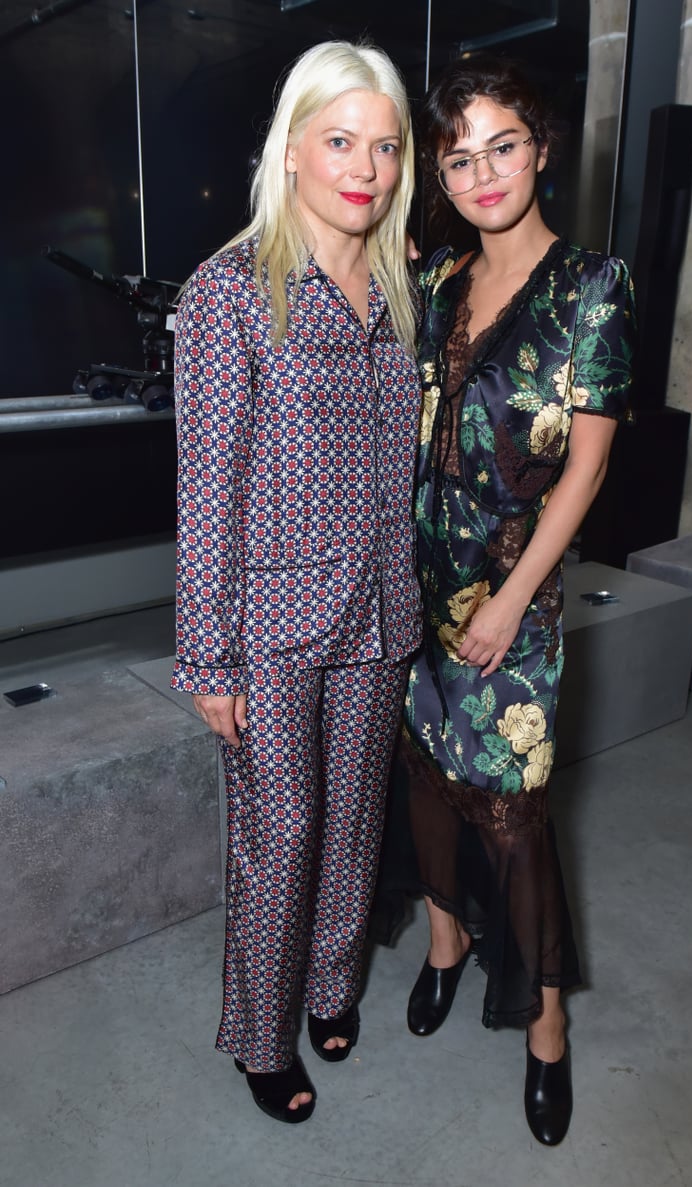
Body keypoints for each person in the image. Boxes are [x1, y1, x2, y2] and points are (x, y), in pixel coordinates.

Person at [170, 40, 422, 1124]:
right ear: (293, 148)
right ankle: (261, 1034)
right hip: (268, 621)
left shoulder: (398, 289)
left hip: (378, 608)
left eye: (384, 144)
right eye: (339, 140)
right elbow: (206, 489)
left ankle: (330, 985)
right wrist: (207, 655)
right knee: (285, 830)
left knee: (357, 820)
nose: (363, 166)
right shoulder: (232, 293)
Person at [387, 55, 636, 1145]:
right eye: (459, 155)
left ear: (540, 148)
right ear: (440, 174)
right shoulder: (437, 280)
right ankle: (444, 948)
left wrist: (509, 602)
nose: (482, 171)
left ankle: (545, 1032)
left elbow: (584, 470)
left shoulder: (593, 285)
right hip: (417, 588)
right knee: (432, 787)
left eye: (502, 146)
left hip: (514, 605)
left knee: (517, 821)